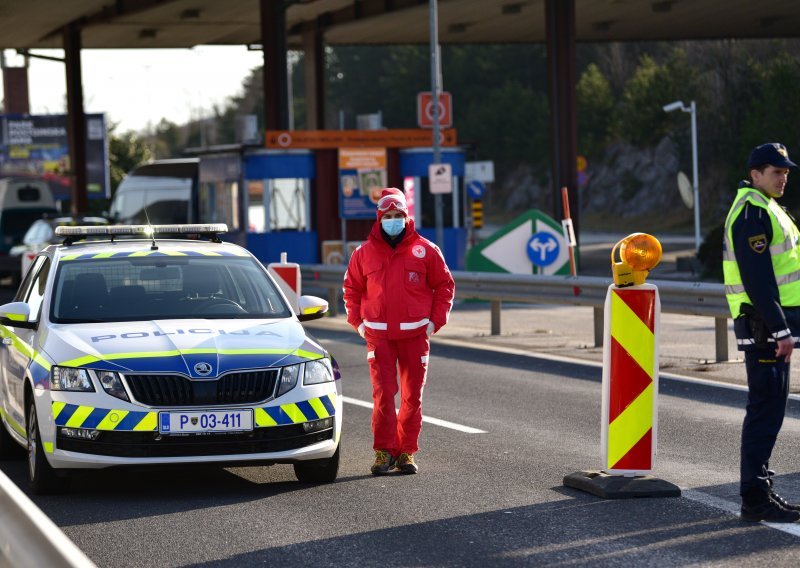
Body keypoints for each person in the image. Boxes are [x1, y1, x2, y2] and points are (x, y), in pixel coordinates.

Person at [343, 187, 455, 475]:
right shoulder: (363, 253)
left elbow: (444, 285)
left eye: (398, 215)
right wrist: (358, 322)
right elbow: (351, 289)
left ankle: (406, 452)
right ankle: (384, 451)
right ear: (379, 218)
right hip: (378, 336)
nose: (393, 220)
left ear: (407, 217)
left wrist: (434, 322)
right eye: (388, 216)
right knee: (383, 394)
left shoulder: (426, 250)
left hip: (415, 335)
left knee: (411, 396)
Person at [723, 142, 800, 523]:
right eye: (775, 171)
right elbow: (758, 279)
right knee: (765, 412)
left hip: (770, 327)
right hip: (765, 327)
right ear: (755, 174)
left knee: (769, 411)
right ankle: (755, 497)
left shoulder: (768, 208)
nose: (783, 177)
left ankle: (761, 490)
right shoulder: (752, 212)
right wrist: (781, 329)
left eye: (785, 171)